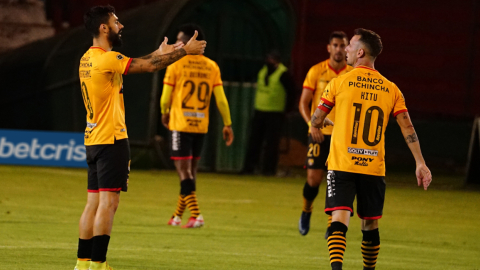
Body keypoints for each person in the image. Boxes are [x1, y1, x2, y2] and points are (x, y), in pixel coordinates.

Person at [76, 6, 206, 270]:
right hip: (112, 140)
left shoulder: (87, 59)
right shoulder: (108, 59)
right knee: (108, 203)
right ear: (104, 28)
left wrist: (158, 54)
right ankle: (99, 265)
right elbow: (146, 67)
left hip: (93, 139)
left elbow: (140, 61)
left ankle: (83, 262)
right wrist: (184, 52)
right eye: (115, 21)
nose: (120, 25)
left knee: (93, 203)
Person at [310, 28, 432, 270]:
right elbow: (407, 127)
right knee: (370, 224)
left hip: (343, 164)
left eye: (350, 45)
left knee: (339, 218)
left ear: (361, 52)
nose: (346, 49)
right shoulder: (391, 89)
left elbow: (316, 119)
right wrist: (420, 162)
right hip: (373, 167)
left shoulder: (339, 82)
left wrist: (320, 121)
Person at [160, 24, 234, 228]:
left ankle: (197, 215)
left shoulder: (175, 65)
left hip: (181, 124)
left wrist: (164, 112)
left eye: (179, 40)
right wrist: (227, 124)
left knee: (183, 173)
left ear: (188, 43)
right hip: (200, 125)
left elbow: (166, 96)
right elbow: (221, 100)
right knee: (191, 173)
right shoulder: (211, 66)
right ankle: (177, 216)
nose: (176, 44)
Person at [298, 31, 353, 237]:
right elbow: (304, 102)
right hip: (319, 133)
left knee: (335, 179)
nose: (339, 49)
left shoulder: (352, 74)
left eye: (342, 46)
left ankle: (332, 225)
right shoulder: (317, 71)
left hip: (342, 137)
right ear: (329, 48)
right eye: (335, 45)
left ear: (347, 49)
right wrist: (312, 124)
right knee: (313, 179)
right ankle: (306, 211)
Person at [243, 51, 295, 175]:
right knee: (254, 141)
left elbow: (292, 92)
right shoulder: (263, 71)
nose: (269, 62)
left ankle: (268, 170)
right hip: (260, 110)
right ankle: (249, 168)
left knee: (272, 144)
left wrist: (287, 110)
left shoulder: (283, 74)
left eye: (272, 60)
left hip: (275, 113)